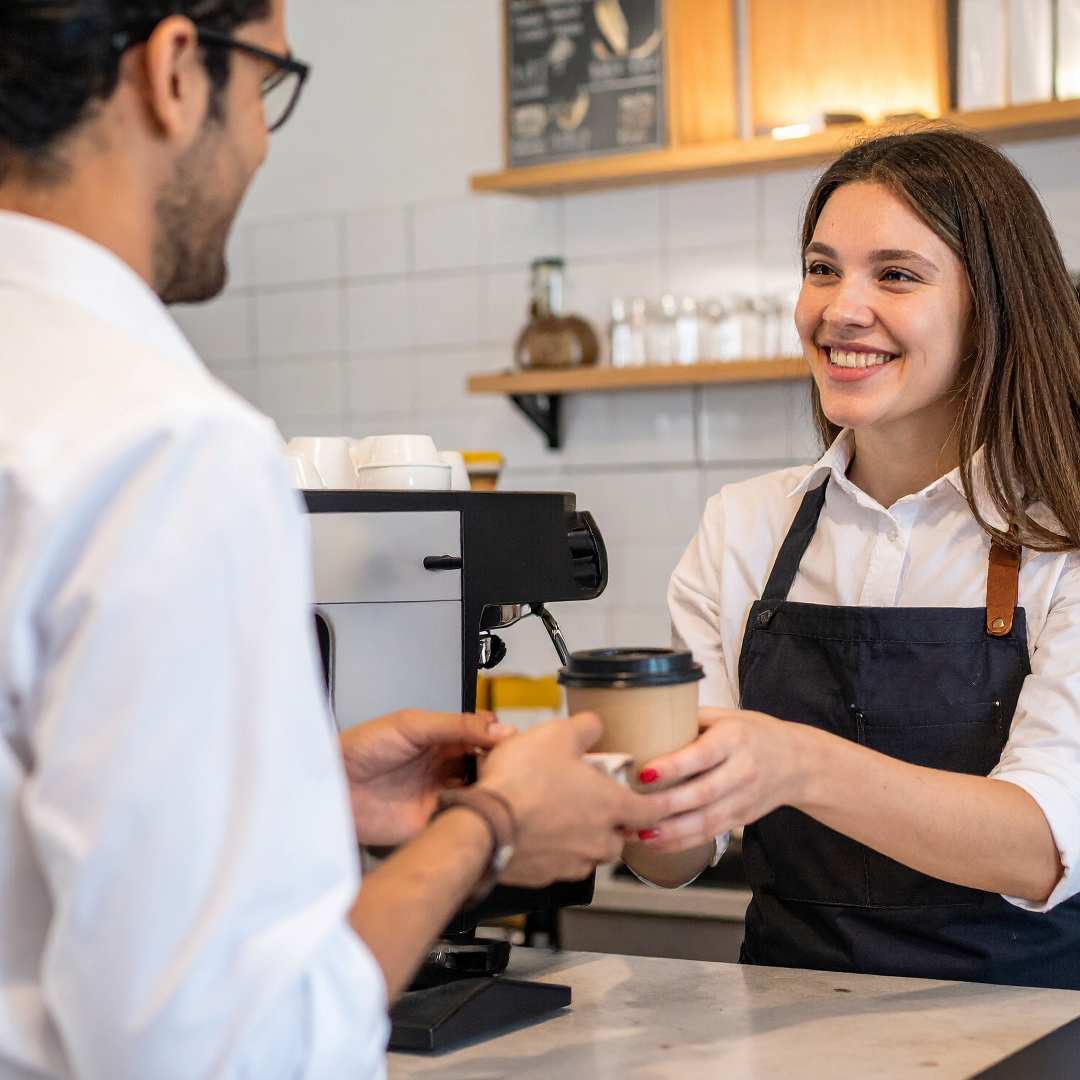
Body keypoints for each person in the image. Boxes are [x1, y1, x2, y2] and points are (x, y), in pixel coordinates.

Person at [0, 1, 660, 1078]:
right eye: (267, 84)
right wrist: (491, 826)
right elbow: (219, 1043)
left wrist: (298, 788)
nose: (262, 143)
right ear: (176, 70)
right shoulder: (165, 442)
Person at [627, 128, 1080, 990]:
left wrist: (792, 762)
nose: (840, 309)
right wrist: (636, 791)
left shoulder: (1066, 539)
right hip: (786, 1026)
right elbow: (673, 862)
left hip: (1032, 1028)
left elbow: (1040, 847)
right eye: (822, 269)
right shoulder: (743, 527)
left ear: (994, 308)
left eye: (897, 275)